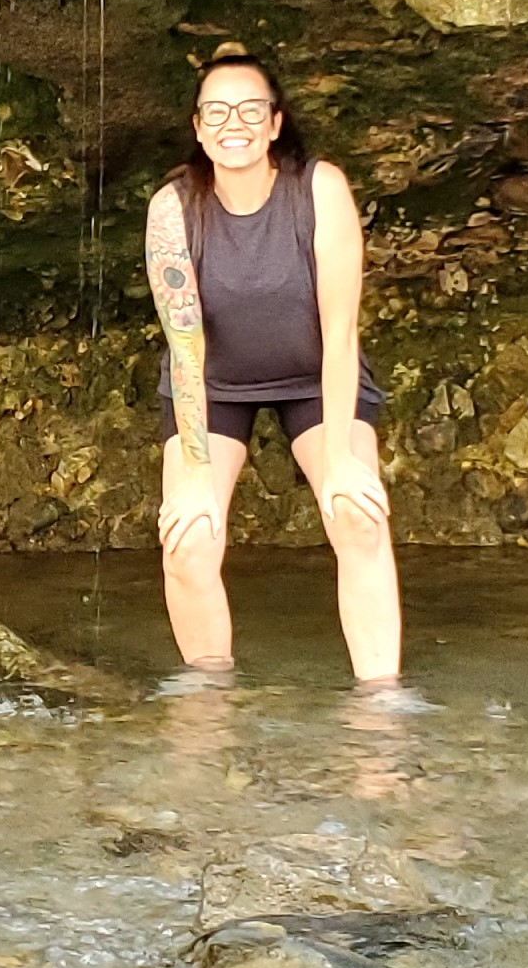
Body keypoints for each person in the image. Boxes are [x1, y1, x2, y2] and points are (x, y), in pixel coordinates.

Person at [145, 50, 402, 685]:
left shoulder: (319, 189)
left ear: (275, 123)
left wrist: (342, 459)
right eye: (218, 111)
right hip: (214, 387)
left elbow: (341, 332)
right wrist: (198, 474)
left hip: (317, 380)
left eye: (251, 109)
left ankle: (380, 701)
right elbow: (186, 346)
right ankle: (213, 695)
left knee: (358, 516)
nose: (236, 123)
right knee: (190, 536)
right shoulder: (172, 210)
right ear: (199, 128)